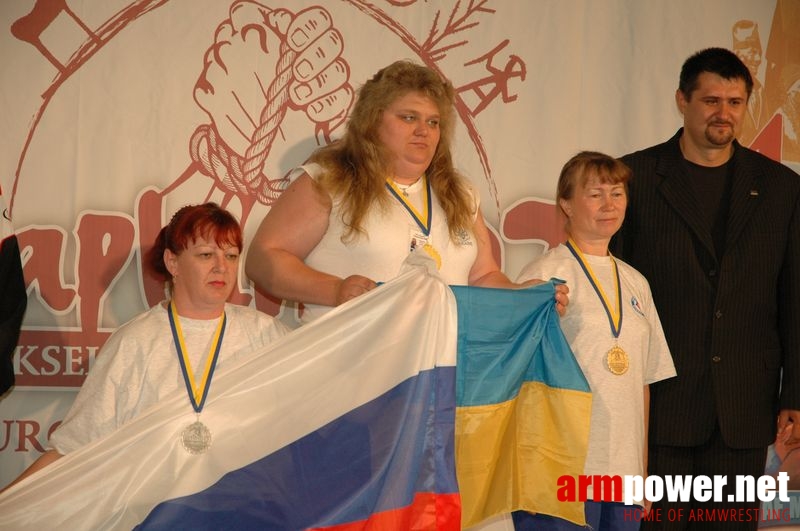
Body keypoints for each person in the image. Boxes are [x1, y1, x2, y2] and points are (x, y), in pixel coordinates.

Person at [611, 47, 800, 530]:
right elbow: (611, 288)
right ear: (682, 100)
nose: (724, 113)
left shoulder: (781, 187)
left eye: (735, 102)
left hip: (743, 405)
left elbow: (795, 297)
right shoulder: (633, 178)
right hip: (659, 404)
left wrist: (793, 394)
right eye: (712, 100)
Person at [245, 60, 568, 323]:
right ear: (371, 122)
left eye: (433, 122)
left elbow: (483, 277)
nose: (422, 132)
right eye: (409, 117)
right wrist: (336, 290)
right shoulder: (329, 181)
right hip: (349, 377)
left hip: (438, 375)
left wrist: (525, 296)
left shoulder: (461, 194)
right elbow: (262, 259)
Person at [2, 202, 289, 491]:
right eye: (205, 255)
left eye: (231, 255)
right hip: (154, 514)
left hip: (248, 508)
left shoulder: (266, 334)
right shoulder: (133, 342)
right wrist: (8, 505)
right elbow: (72, 449)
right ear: (172, 262)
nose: (221, 267)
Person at [514, 151, 676, 530]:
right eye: (595, 194)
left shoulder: (637, 282)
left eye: (617, 194)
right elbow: (520, 378)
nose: (609, 205)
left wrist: (641, 473)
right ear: (566, 204)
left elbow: (643, 386)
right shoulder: (542, 275)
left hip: (621, 475)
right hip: (561, 472)